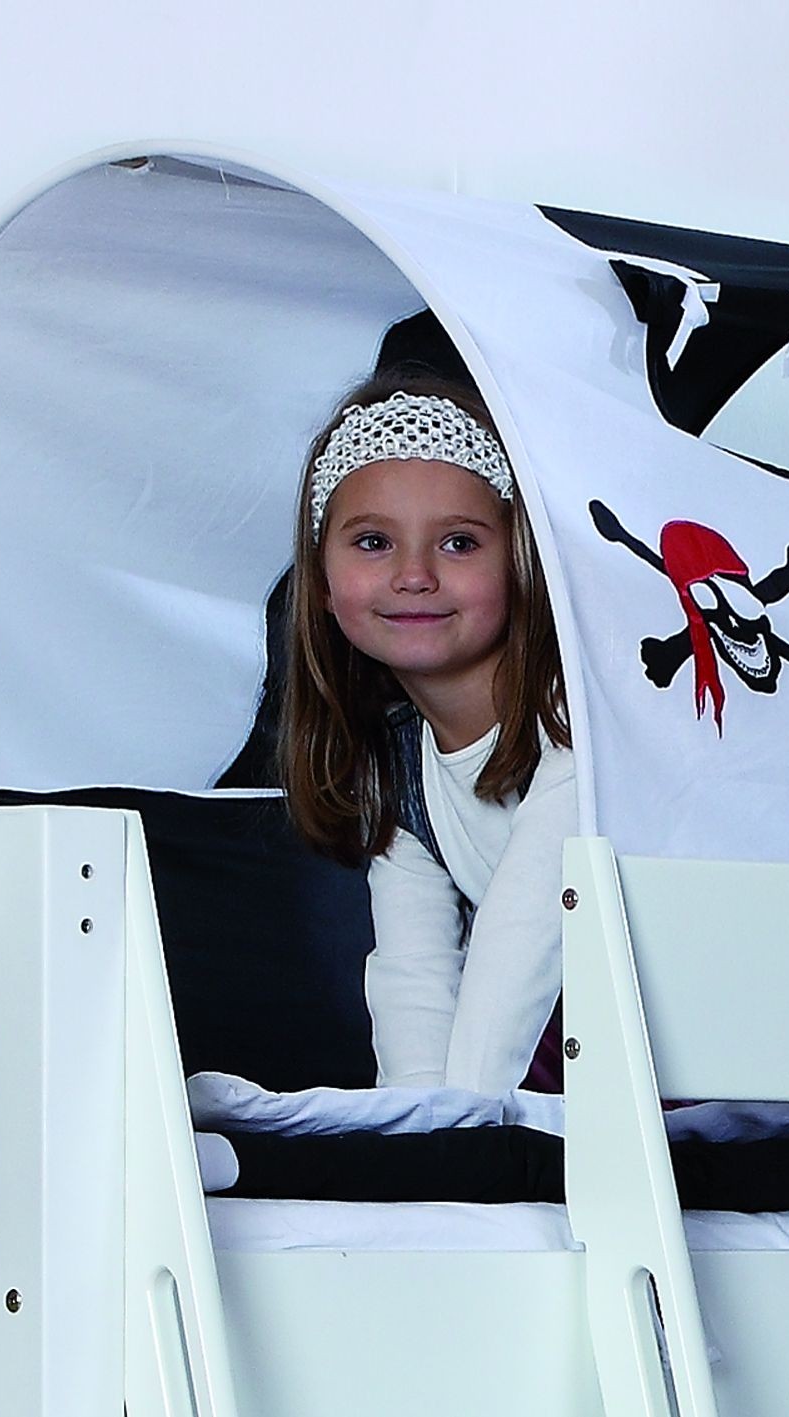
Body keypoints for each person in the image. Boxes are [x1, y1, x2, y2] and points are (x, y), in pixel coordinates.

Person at [280, 367, 574, 1095]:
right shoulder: (396, 764)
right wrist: (417, 1134)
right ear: (321, 581)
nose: (414, 574)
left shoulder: (577, 719)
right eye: (374, 542)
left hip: (723, 1046)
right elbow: (414, 979)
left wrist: (466, 1131)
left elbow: (526, 935)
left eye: (459, 543)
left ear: (520, 560)